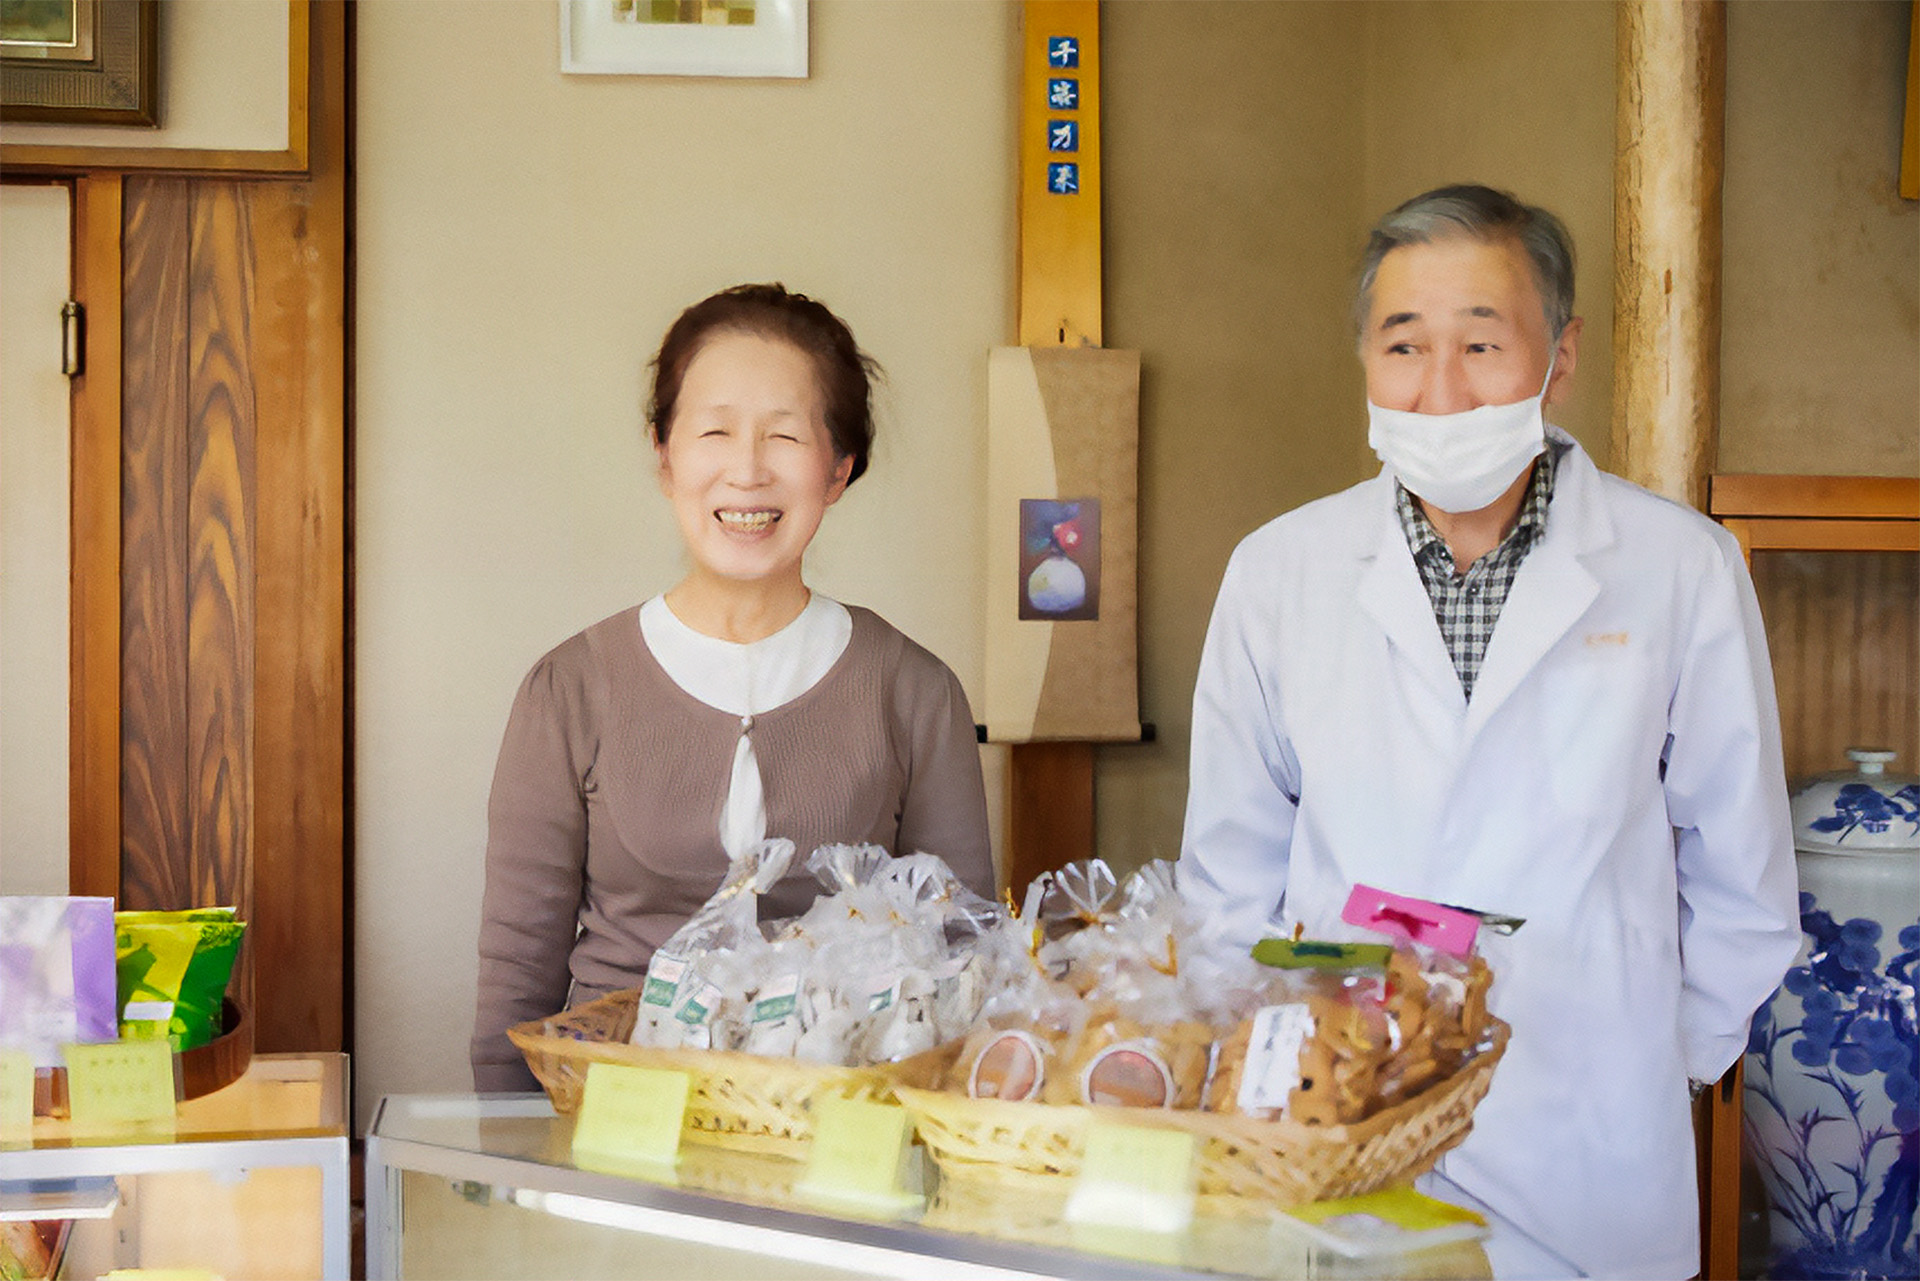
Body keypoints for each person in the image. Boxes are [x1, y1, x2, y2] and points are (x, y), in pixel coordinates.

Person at [1176, 185, 1799, 1278]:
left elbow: (1744, 875)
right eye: (1404, 345)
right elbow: (1226, 875)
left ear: (1559, 359)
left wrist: (1655, 1061)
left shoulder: (1677, 569)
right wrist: (1282, 1080)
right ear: (1364, 359)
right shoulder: (1279, 571)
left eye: (1481, 342)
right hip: (1345, 1122)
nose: (1442, 390)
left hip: (1589, 1132)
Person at [471, 283, 994, 1092]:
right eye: (714, 430)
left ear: (838, 468)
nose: (747, 470)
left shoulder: (915, 690)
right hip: (610, 1118)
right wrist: (505, 1160)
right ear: (665, 455)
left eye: (785, 435)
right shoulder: (571, 688)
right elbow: (517, 967)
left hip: (838, 1132)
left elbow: (961, 957)